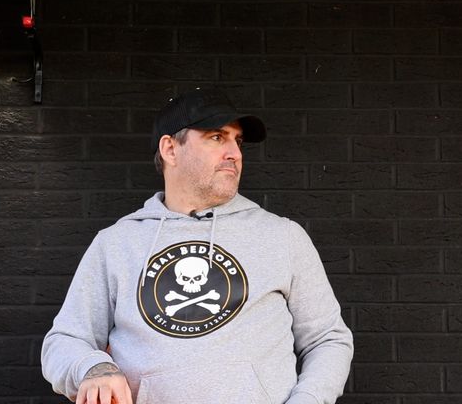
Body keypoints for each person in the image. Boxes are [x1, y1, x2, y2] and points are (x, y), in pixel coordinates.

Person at [41, 89, 354, 404]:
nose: (235, 153)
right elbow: (64, 341)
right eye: (217, 137)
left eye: (238, 141)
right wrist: (94, 367)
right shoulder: (116, 243)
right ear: (170, 149)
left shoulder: (282, 236)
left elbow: (328, 340)